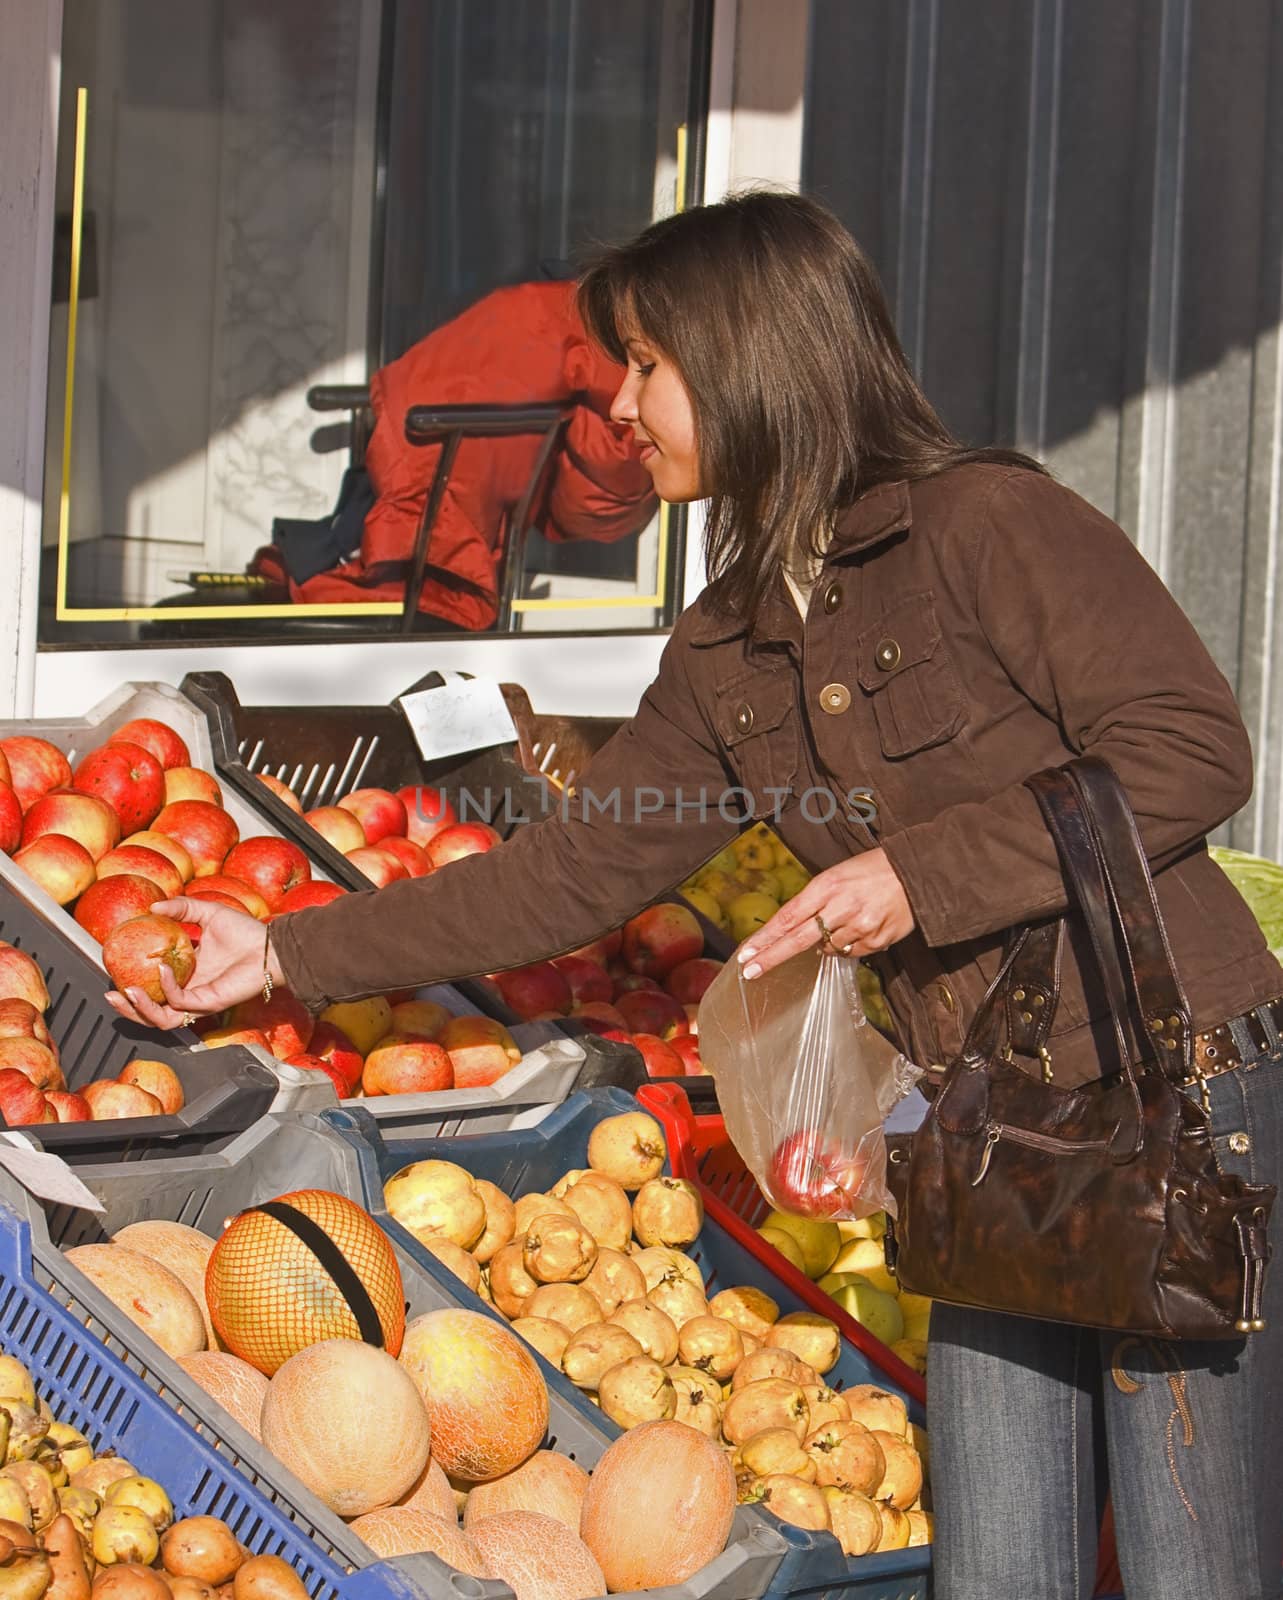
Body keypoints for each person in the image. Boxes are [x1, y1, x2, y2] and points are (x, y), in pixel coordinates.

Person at [108, 191, 1282, 1600]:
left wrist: (919, 872)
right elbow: (571, 872)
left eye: (647, 365)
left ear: (746, 361)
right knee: (1001, 1567)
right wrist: (285, 950)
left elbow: (1193, 749)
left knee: (1186, 1564)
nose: (615, 405)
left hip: (1168, 1089)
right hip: (984, 1125)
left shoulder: (989, 527)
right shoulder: (732, 638)